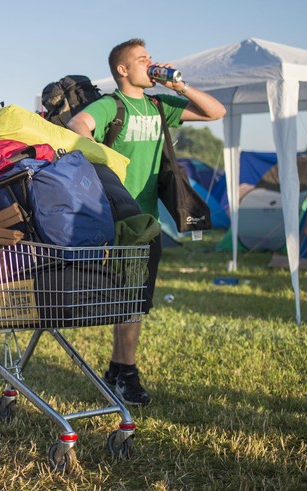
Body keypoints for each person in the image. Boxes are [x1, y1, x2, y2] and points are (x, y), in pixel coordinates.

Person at [67, 38, 226, 406]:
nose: (151, 64)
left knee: (136, 300)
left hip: (148, 218)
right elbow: (78, 125)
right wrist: (104, 162)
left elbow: (215, 112)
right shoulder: (112, 104)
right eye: (142, 60)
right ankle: (125, 371)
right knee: (128, 299)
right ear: (123, 70)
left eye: (150, 58)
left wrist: (179, 85)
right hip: (118, 217)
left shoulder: (158, 106)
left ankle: (120, 369)